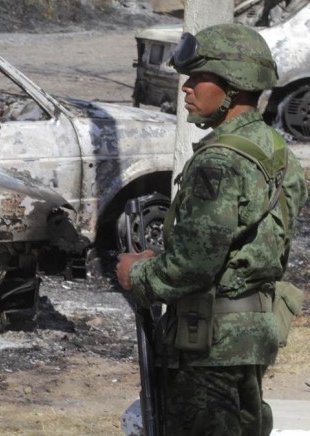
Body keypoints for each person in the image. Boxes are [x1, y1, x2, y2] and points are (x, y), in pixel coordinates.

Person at [116, 23, 307, 436]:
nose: (186, 88)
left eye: (199, 78)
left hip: (208, 348)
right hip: (251, 337)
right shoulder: (277, 152)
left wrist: (139, 275)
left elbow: (194, 266)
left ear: (234, 86)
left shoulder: (217, 164)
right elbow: (251, 249)